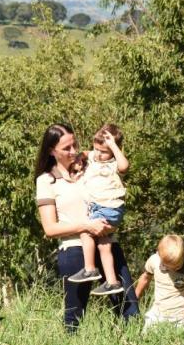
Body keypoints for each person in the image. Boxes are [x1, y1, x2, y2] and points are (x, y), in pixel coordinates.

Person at [34, 122, 138, 331]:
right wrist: (85, 226)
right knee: (74, 317)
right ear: (51, 151)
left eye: (74, 145)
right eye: (66, 148)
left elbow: (116, 164)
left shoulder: (92, 163)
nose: (73, 151)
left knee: (129, 311)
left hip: (108, 245)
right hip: (73, 249)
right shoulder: (46, 181)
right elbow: (50, 229)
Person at [68, 124, 129, 296]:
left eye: (104, 151)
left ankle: (90, 269)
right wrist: (80, 157)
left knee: (86, 232)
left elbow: (125, 166)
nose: (99, 154)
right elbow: (88, 153)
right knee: (104, 244)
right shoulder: (95, 156)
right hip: (104, 209)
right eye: (97, 149)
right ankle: (112, 282)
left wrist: (114, 147)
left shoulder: (113, 164)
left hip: (107, 207)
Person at [135, 234, 184, 344]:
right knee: (144, 342)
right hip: (158, 313)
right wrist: (134, 298)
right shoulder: (154, 260)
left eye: (177, 266)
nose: (171, 269)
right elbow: (145, 278)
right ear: (159, 255)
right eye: (166, 266)